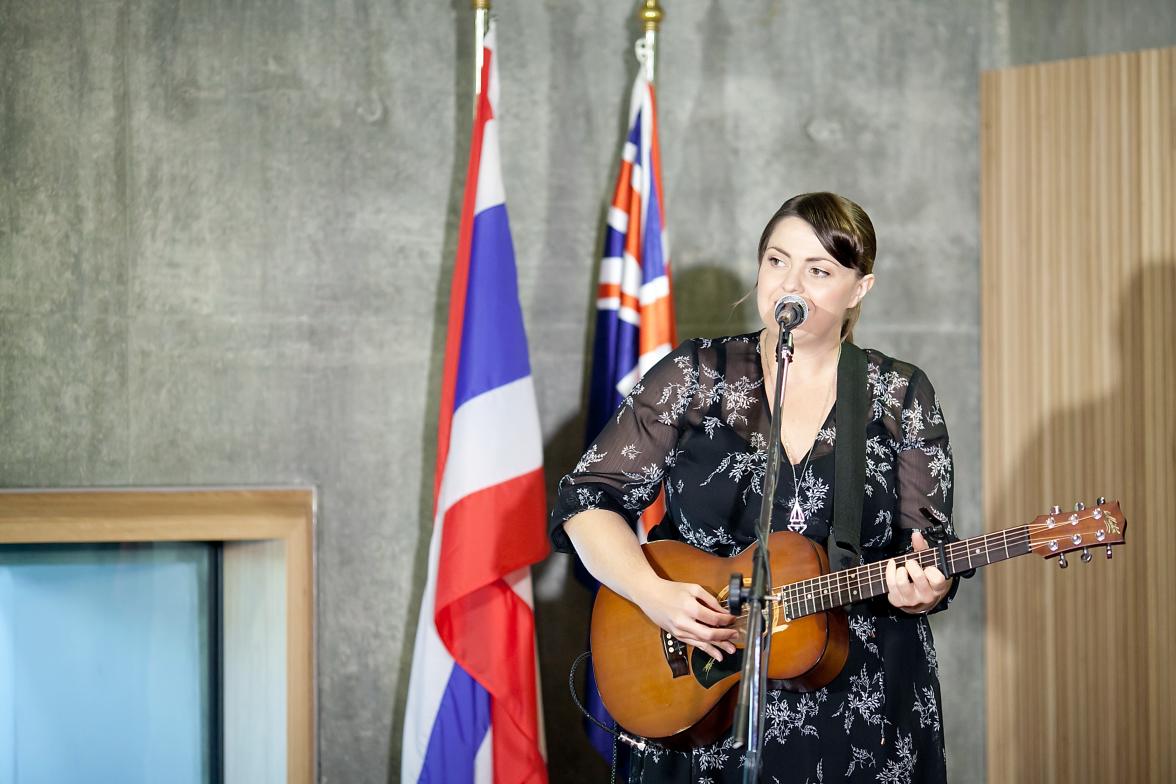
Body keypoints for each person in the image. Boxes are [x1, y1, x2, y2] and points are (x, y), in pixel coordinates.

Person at [550, 192, 963, 783]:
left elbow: (929, 547)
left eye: (819, 270)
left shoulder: (899, 394)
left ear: (860, 289)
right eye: (777, 260)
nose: (790, 283)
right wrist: (651, 592)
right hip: (703, 692)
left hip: (860, 703)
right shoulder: (696, 376)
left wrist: (924, 586)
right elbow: (587, 501)